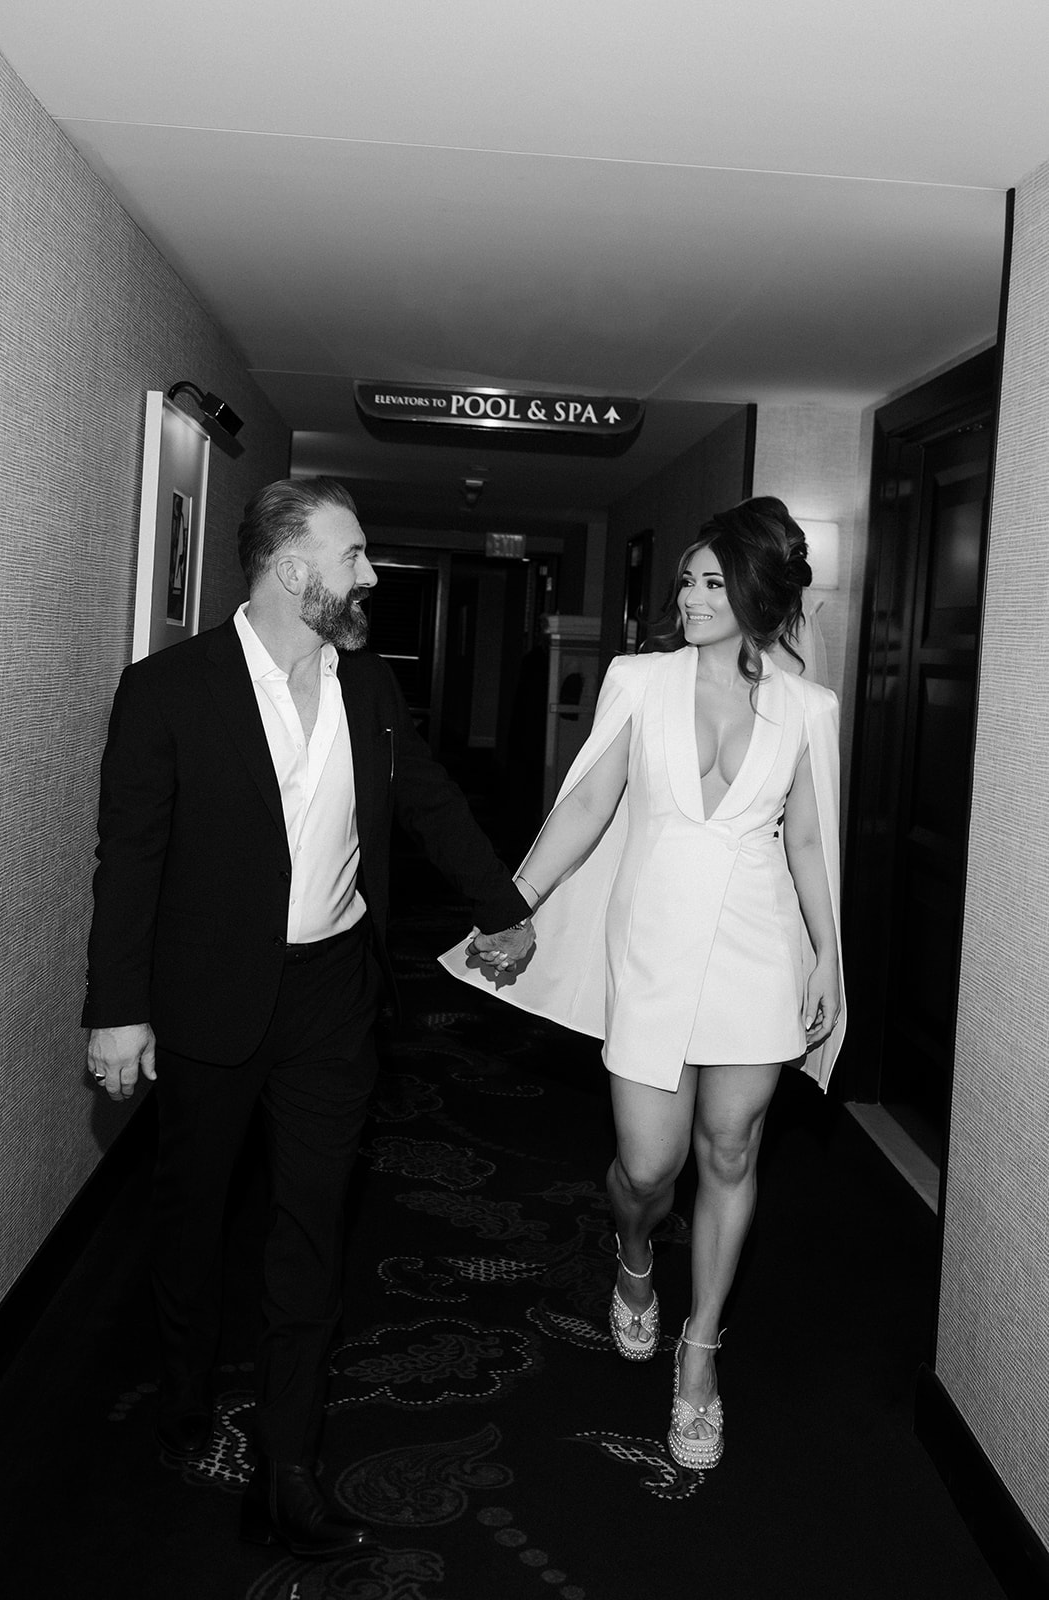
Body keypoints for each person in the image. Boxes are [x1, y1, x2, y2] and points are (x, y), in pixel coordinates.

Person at [83, 476, 533, 1557]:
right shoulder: (167, 691)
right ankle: (188, 1394)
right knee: (192, 1214)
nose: (369, 574)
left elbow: (424, 798)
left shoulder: (368, 684)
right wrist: (116, 1010)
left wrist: (503, 904)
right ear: (293, 570)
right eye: (353, 556)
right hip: (208, 1000)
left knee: (310, 1224)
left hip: (333, 995)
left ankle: (288, 1461)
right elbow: (129, 861)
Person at [443, 496, 844, 1470]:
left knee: (732, 1148)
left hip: (755, 948)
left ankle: (698, 1351)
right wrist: (515, 901)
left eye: (713, 582)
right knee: (648, 1168)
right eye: (686, 580)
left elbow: (802, 836)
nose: (690, 596)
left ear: (760, 591)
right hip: (657, 944)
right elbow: (586, 801)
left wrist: (827, 953)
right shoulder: (641, 679)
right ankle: (632, 1257)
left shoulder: (806, 708)